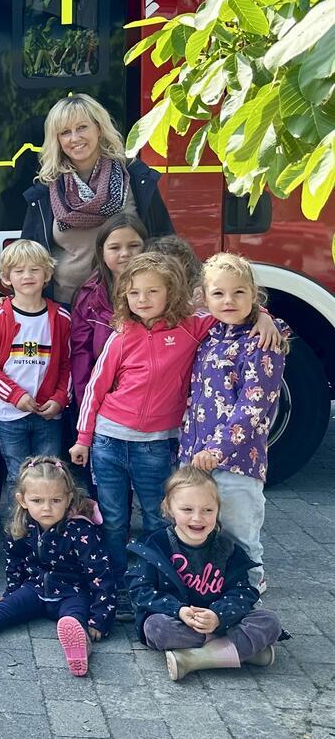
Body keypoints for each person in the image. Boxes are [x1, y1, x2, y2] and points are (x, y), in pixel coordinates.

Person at [70, 252, 280, 599]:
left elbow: (232, 306)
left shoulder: (192, 328)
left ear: (172, 292)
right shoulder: (121, 335)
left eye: (153, 291)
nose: (143, 299)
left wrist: (265, 316)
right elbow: (96, 387)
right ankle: (116, 587)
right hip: (110, 439)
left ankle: (161, 583)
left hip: (157, 444)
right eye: (134, 293)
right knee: (113, 519)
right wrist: (83, 437)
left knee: (159, 518)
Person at [0, 456, 112, 677]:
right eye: (37, 501)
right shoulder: (23, 526)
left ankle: (79, 649)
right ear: (22, 500)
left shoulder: (82, 531)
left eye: (55, 500)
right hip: (34, 589)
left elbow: (100, 574)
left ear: (69, 499)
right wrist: (12, 591)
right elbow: (14, 561)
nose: (46, 508)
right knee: (2, 611)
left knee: (74, 619)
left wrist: (99, 618)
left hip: (72, 593)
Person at [180, 253, 288, 591]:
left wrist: (218, 450)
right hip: (196, 458)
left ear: (254, 294)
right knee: (201, 532)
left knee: (240, 534)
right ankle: (210, 590)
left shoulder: (262, 342)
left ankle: (250, 595)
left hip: (237, 462)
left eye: (239, 292)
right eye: (219, 293)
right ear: (204, 296)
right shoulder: (211, 333)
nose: (228, 300)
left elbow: (254, 405)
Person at [126, 466, 282, 681]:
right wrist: (178, 610)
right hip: (179, 622)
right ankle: (239, 652)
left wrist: (218, 615)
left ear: (218, 510)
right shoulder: (156, 545)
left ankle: (194, 659)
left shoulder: (227, 548)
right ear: (169, 508)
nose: (197, 518)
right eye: (187, 509)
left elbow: (244, 591)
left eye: (208, 510)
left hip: (222, 622)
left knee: (269, 621)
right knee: (155, 627)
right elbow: (140, 590)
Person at [21, 94, 173, 304]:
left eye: (82, 127)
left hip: (131, 304)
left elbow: (165, 242)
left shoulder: (135, 177)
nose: (75, 138)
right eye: (65, 132)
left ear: (99, 128)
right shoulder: (46, 190)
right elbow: (27, 257)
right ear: (57, 140)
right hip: (68, 307)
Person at [0, 240, 71, 485]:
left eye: (34, 269)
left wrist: (60, 399)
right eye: (19, 271)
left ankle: (48, 513)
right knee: (17, 477)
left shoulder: (61, 318)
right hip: (11, 415)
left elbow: (68, 365)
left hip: (49, 414)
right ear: (6, 278)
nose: (27, 276)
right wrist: (15, 395)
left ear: (47, 274)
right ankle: (17, 514)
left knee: (50, 476)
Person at [69, 214, 146, 406]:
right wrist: (85, 404)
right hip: (104, 399)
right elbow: (81, 355)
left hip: (148, 398)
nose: (125, 253)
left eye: (134, 246)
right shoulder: (88, 297)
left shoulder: (161, 293)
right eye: (114, 247)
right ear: (101, 251)